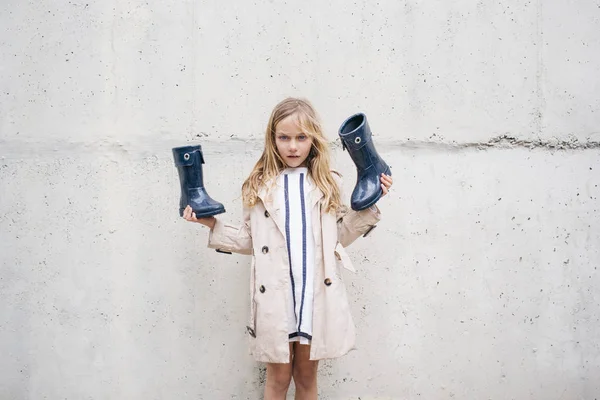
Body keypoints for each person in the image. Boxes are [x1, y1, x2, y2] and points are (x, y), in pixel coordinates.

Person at [182, 98, 393, 399]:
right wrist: (211, 225)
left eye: (301, 137)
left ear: (313, 140)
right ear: (273, 139)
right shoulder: (258, 185)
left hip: (313, 295)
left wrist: (371, 204)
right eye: (284, 137)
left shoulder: (327, 183)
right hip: (276, 295)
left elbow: (338, 237)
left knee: (306, 377)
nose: (293, 146)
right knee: (278, 379)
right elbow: (250, 240)